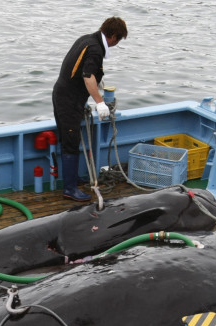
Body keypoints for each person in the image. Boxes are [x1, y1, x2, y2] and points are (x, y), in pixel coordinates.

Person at [52, 17, 128, 202]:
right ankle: (69, 189)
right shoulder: (95, 49)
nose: (115, 45)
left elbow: (79, 70)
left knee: (72, 139)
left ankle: (73, 179)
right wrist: (100, 102)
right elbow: (87, 76)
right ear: (112, 36)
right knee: (70, 141)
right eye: (117, 40)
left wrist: (96, 82)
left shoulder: (86, 39)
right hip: (68, 101)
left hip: (66, 96)